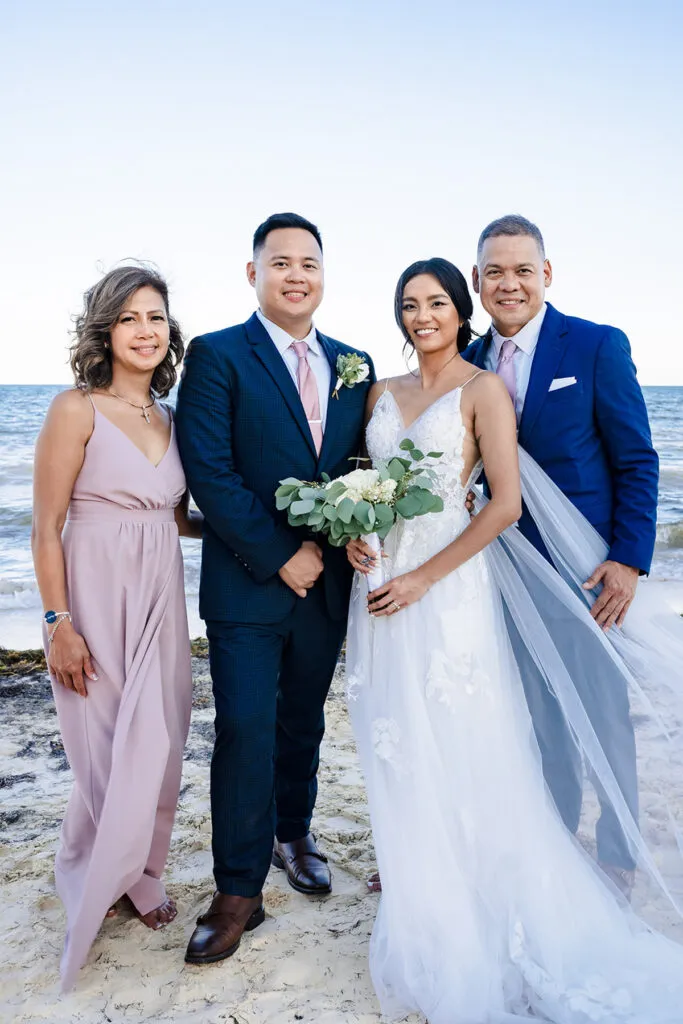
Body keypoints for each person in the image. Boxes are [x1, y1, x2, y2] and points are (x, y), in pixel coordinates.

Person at [344, 257, 683, 1023]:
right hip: (398, 585)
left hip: (529, 570)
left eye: (435, 302)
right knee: (418, 727)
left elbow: (620, 461)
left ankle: (611, 866)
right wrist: (350, 537)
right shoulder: (384, 390)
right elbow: (368, 480)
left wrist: (629, 557)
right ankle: (427, 869)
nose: (421, 314)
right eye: (409, 304)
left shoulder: (534, 365)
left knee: (570, 720)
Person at [175, 212, 375, 965]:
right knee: (245, 729)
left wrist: (361, 529)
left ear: (323, 275)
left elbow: (362, 466)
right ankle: (237, 891)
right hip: (249, 587)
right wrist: (278, 553)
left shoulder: (355, 363)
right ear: (252, 272)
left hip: (327, 589)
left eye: (309, 263)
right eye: (281, 262)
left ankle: (295, 834)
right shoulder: (218, 354)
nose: (296, 274)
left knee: (302, 725)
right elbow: (210, 471)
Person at [462, 215, 659, 894]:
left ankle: (618, 856)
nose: (508, 283)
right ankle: (551, 839)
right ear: (476, 281)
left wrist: (629, 560)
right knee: (535, 713)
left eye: (521, 270)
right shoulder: (463, 360)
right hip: (497, 570)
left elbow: (636, 459)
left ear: (546, 275)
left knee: (604, 717)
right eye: (494, 271)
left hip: (585, 572)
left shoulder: (597, 347)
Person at [31, 264, 201, 991]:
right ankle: (118, 880)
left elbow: (175, 519)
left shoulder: (172, 417)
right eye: (130, 318)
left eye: (156, 317)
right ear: (105, 329)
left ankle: (141, 865)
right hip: (93, 597)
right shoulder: (76, 409)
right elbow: (45, 527)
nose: (145, 331)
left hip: (159, 594)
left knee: (159, 740)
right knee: (104, 749)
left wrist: (266, 527)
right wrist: (57, 623)